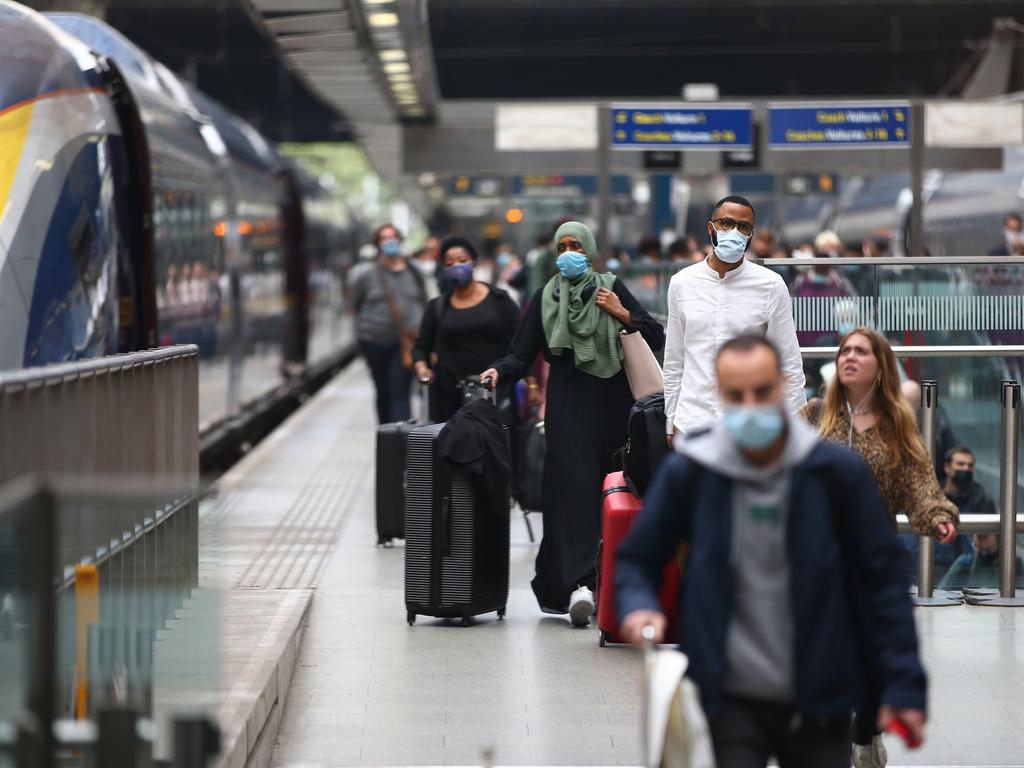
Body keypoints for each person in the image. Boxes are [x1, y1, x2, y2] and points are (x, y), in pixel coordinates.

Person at [617, 336, 929, 767]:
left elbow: (884, 583)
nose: (750, 406)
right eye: (736, 395)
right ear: (720, 396)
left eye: (762, 392)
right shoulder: (693, 470)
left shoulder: (836, 474)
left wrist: (904, 685)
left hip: (819, 692)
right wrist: (639, 605)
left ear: (783, 386)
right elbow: (638, 556)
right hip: (725, 693)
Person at [479, 221, 664, 626]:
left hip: (616, 410)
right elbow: (520, 353)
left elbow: (655, 333)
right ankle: (582, 584)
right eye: (562, 245)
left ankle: (613, 581)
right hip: (568, 412)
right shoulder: (547, 297)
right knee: (574, 496)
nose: (568, 252)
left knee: (613, 492)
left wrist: (620, 312)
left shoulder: (610, 286)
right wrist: (497, 372)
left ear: (591, 249)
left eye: (575, 245)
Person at [663, 195, 806, 440]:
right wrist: (670, 424)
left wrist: (794, 429)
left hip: (751, 426)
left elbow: (789, 361)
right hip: (692, 424)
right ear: (711, 228)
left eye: (744, 227)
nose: (735, 232)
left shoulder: (771, 285)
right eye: (727, 223)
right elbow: (674, 361)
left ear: (751, 235)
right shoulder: (681, 283)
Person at [801, 327, 959, 543]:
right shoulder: (814, 413)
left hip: (873, 553)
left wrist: (938, 517)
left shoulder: (897, 424)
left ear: (881, 366)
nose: (850, 357)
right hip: (817, 549)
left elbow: (920, 482)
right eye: (845, 351)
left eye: (861, 352)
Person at [413, 237, 520, 423]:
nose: (457, 266)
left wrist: (533, 384)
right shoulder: (437, 308)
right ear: (444, 270)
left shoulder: (499, 300)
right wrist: (422, 367)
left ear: (474, 264)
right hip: (449, 397)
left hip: (495, 392)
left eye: (462, 260)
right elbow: (421, 347)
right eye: (450, 263)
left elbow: (521, 343)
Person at [347, 223, 427, 424]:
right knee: (382, 391)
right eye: (384, 238)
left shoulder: (414, 270)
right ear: (377, 244)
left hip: (406, 343)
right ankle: (386, 436)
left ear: (399, 240)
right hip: (374, 341)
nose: (389, 242)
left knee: (399, 390)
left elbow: (424, 300)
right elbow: (354, 305)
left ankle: (401, 440)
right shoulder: (364, 274)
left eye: (392, 237)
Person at [938, 533, 1024, 591]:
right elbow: (942, 589)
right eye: (980, 550)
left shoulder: (1015, 564)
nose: (984, 554)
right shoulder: (965, 562)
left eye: (988, 550)